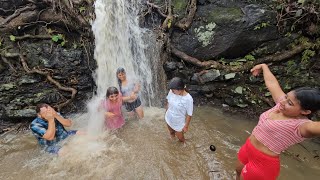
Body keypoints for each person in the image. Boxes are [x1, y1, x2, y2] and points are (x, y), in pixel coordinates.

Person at [236, 63, 320, 180]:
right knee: (237, 172)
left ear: (305, 112)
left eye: (290, 103)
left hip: (263, 164)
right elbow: (272, 84)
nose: (283, 102)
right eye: (286, 97)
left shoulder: (302, 127)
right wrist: (264, 66)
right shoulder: (281, 104)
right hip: (248, 148)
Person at [165, 77, 194, 143]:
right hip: (169, 118)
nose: (172, 91)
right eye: (171, 90)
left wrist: (186, 126)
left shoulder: (188, 99)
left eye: (173, 90)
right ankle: (172, 146)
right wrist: (166, 111)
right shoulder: (171, 92)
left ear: (180, 89)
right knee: (171, 133)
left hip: (178, 122)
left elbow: (189, 114)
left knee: (181, 139)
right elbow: (168, 101)